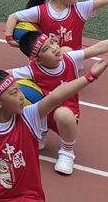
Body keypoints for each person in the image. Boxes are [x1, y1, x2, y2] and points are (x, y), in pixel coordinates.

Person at [0, 64, 106, 198]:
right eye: (14, 93)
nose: (22, 96)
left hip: (27, 197)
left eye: (20, 90)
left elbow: (56, 96)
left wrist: (90, 77)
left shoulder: (29, 116)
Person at [9, 31, 108, 175]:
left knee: (63, 114)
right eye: (46, 49)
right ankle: (41, 130)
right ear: (38, 61)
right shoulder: (31, 70)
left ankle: (67, 153)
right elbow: (5, 75)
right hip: (44, 111)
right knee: (19, 94)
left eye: (52, 42)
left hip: (67, 109)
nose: (55, 48)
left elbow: (98, 48)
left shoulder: (70, 59)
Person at [5, 0, 108, 51]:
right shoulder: (40, 11)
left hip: (73, 61)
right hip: (49, 62)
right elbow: (13, 17)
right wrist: (9, 38)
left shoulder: (80, 9)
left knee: (66, 52)